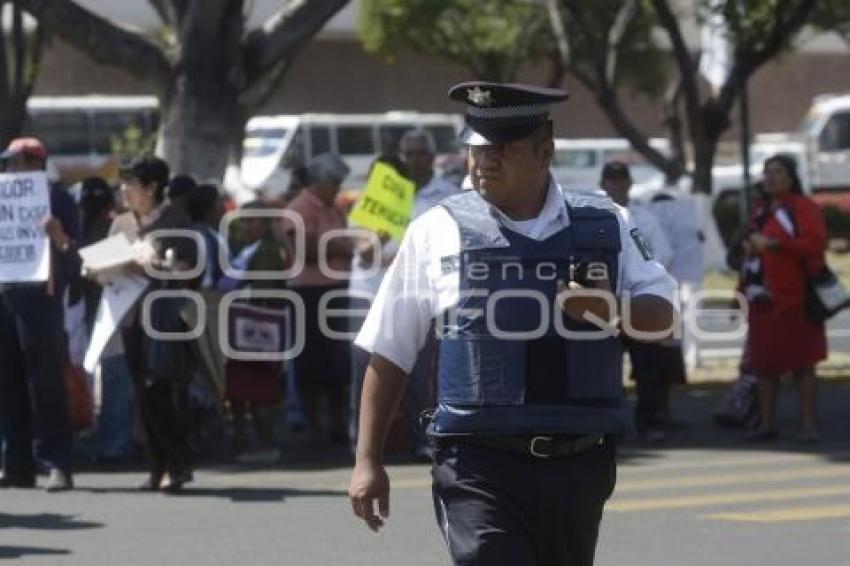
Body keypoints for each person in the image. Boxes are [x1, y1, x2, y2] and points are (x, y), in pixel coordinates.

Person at [348, 82, 676, 565]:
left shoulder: (607, 224)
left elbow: (664, 317)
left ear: (545, 150)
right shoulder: (435, 230)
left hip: (579, 464)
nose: (483, 161)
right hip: (477, 463)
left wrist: (614, 313)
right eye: (476, 148)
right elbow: (389, 350)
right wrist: (367, 461)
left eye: (502, 148)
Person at [349, 132, 459, 458]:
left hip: (416, 293)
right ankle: (364, 444)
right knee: (364, 367)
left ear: (432, 156)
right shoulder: (377, 198)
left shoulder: (447, 196)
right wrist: (385, 230)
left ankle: (422, 438)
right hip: (367, 292)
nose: (414, 159)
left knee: (419, 370)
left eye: (421, 152)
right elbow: (365, 253)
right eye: (408, 153)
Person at [109, 155, 199, 492]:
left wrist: (155, 265)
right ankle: (160, 464)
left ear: (152, 187)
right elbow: (106, 262)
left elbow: (190, 269)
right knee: (142, 391)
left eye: (131, 184)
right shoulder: (120, 224)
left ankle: (176, 461)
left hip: (164, 318)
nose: (124, 190)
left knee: (158, 388)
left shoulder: (177, 222)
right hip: (129, 317)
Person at [0, 137, 76, 492]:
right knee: (8, 381)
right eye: (9, 162)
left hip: (41, 300)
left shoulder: (58, 199)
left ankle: (56, 461)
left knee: (44, 382)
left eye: (17, 162)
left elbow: (77, 258)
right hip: (6, 296)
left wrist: (58, 236)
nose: (11, 169)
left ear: (35, 163)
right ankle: (16, 462)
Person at [738, 155, 826, 442]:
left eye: (778, 171)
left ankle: (809, 424)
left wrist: (775, 244)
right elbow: (749, 256)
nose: (771, 177)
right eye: (767, 172)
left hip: (796, 299)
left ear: (791, 176)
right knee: (765, 366)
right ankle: (767, 423)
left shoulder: (802, 207)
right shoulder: (760, 211)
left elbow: (815, 244)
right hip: (762, 300)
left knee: (803, 364)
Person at [599, 161, 679, 444]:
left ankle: (650, 421)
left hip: (638, 303)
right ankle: (613, 424)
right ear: (603, 183)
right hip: (605, 306)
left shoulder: (642, 220)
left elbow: (661, 256)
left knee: (649, 367)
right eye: (611, 179)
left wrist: (643, 284)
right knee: (606, 366)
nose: (616, 185)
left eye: (621, 180)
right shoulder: (592, 215)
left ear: (630, 183)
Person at [281, 153, 353, 444]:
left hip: (337, 288)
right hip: (308, 292)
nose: (337, 190)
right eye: (334, 184)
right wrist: (341, 247)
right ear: (319, 183)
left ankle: (335, 422)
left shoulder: (333, 208)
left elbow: (326, 245)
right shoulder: (297, 209)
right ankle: (313, 424)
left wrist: (335, 246)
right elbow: (305, 251)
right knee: (310, 360)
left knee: (337, 361)